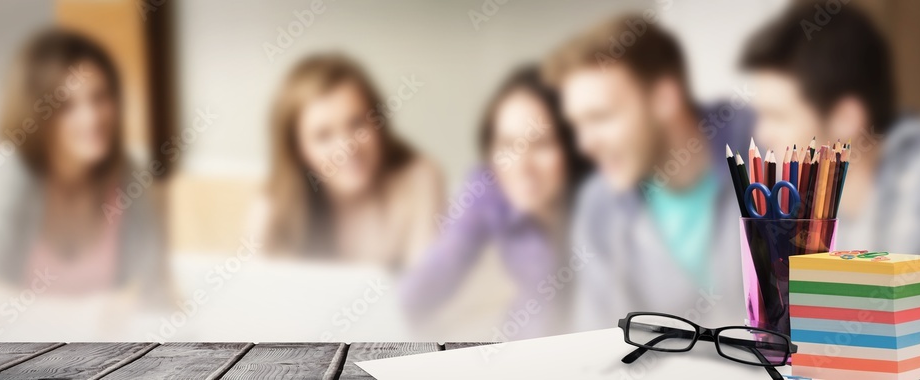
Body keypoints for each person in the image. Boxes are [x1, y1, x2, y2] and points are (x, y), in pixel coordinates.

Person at [0, 29, 169, 339]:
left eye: (99, 97)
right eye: (66, 106)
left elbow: (154, 293)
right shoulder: (3, 173)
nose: (91, 117)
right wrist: (82, 318)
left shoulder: (129, 176)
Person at [543, 15, 753, 330]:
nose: (585, 145)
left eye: (600, 117)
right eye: (578, 125)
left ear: (664, 98)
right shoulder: (599, 205)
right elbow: (601, 344)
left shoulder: (770, 149)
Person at [400, 66, 592, 339]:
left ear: (572, 147)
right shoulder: (489, 186)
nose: (522, 165)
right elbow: (437, 271)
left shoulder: (603, 200)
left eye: (541, 144)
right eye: (507, 145)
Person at [742, 2, 920, 254]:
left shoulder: (915, 190)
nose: (761, 134)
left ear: (846, 119)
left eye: (778, 116)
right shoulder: (800, 202)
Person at [250, 53, 443, 269]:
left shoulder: (418, 178)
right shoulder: (276, 205)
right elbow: (252, 290)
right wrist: (266, 217)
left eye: (357, 123)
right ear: (298, 151)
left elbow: (426, 288)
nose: (347, 147)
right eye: (323, 135)